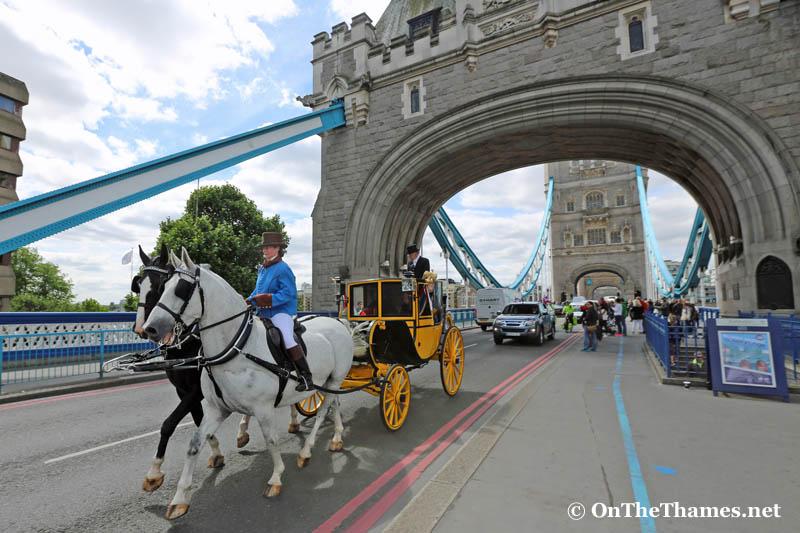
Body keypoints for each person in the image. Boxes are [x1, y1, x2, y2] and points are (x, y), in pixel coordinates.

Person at [247, 231, 313, 392]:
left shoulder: (283, 269)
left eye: (269, 247)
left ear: (278, 249)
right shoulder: (262, 269)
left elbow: (289, 293)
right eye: (264, 247)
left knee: (288, 338)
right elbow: (257, 290)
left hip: (281, 312)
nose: (265, 250)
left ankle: (305, 376)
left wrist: (266, 299)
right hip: (263, 313)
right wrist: (248, 300)